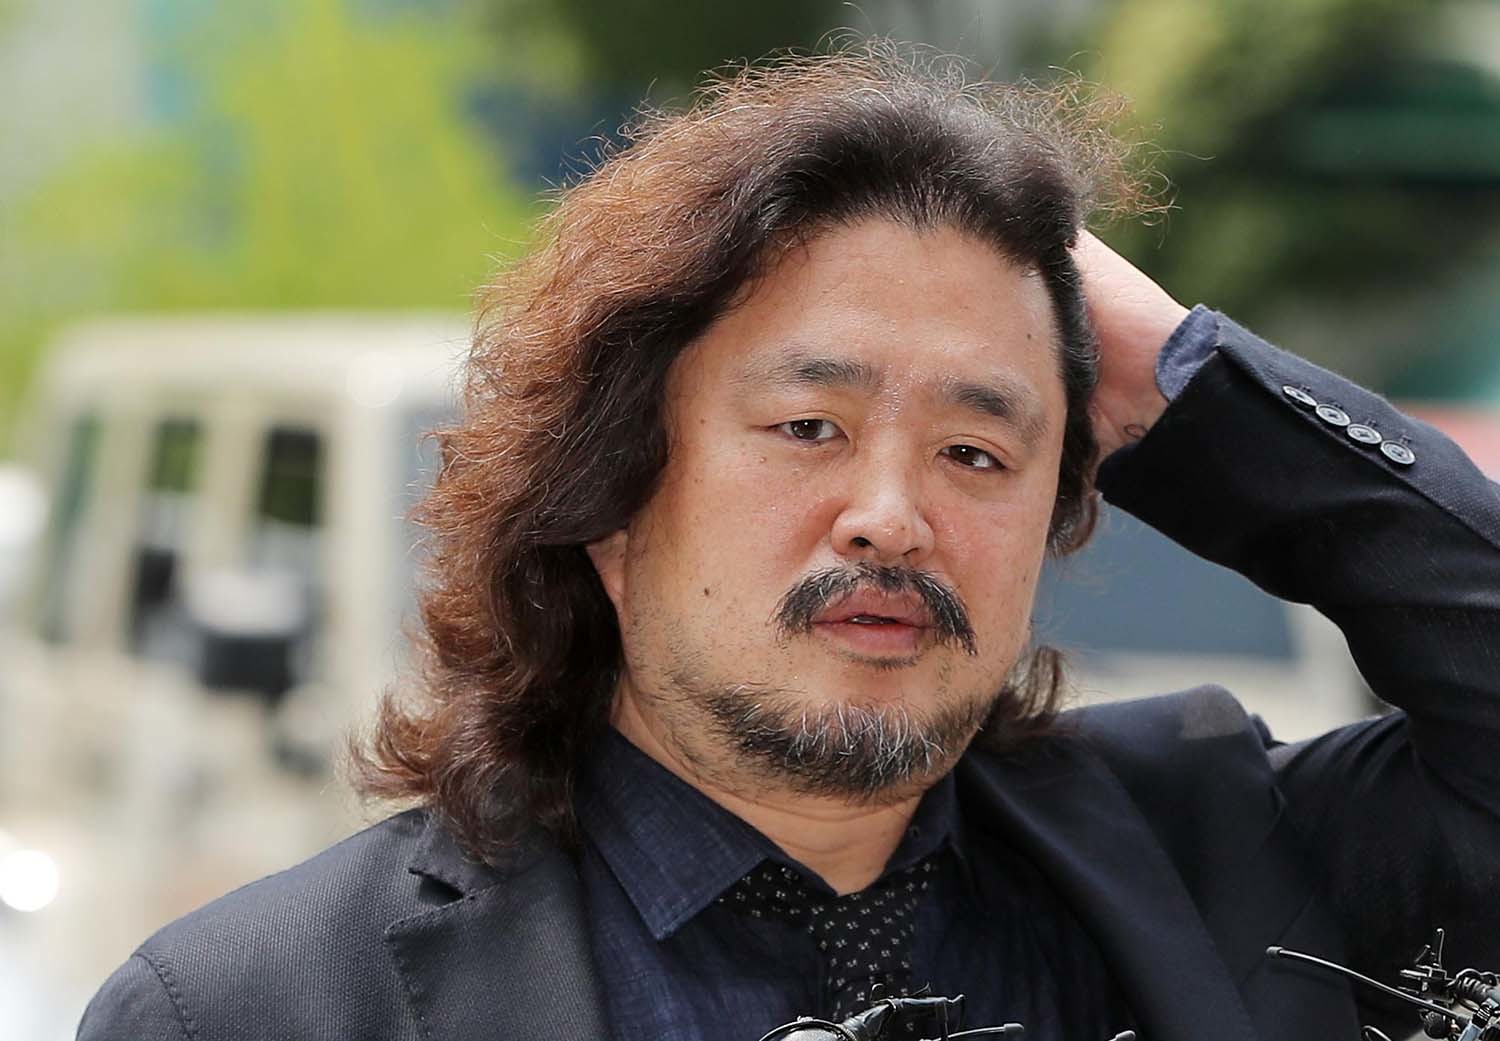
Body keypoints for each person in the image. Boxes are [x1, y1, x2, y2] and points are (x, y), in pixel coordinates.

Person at [78, 44, 1499, 1041]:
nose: (893, 515)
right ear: (611, 497)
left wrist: (1187, 379)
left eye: (977, 452)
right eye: (810, 426)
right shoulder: (259, 1009)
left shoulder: (1224, 853)